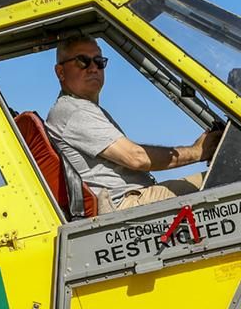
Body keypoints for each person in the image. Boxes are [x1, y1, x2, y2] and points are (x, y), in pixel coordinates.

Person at [46, 34, 221, 212]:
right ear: (60, 72)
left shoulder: (83, 108)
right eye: (83, 61)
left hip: (132, 200)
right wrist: (197, 152)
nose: (93, 68)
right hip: (125, 207)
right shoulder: (74, 111)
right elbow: (136, 158)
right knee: (227, 178)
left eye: (99, 61)